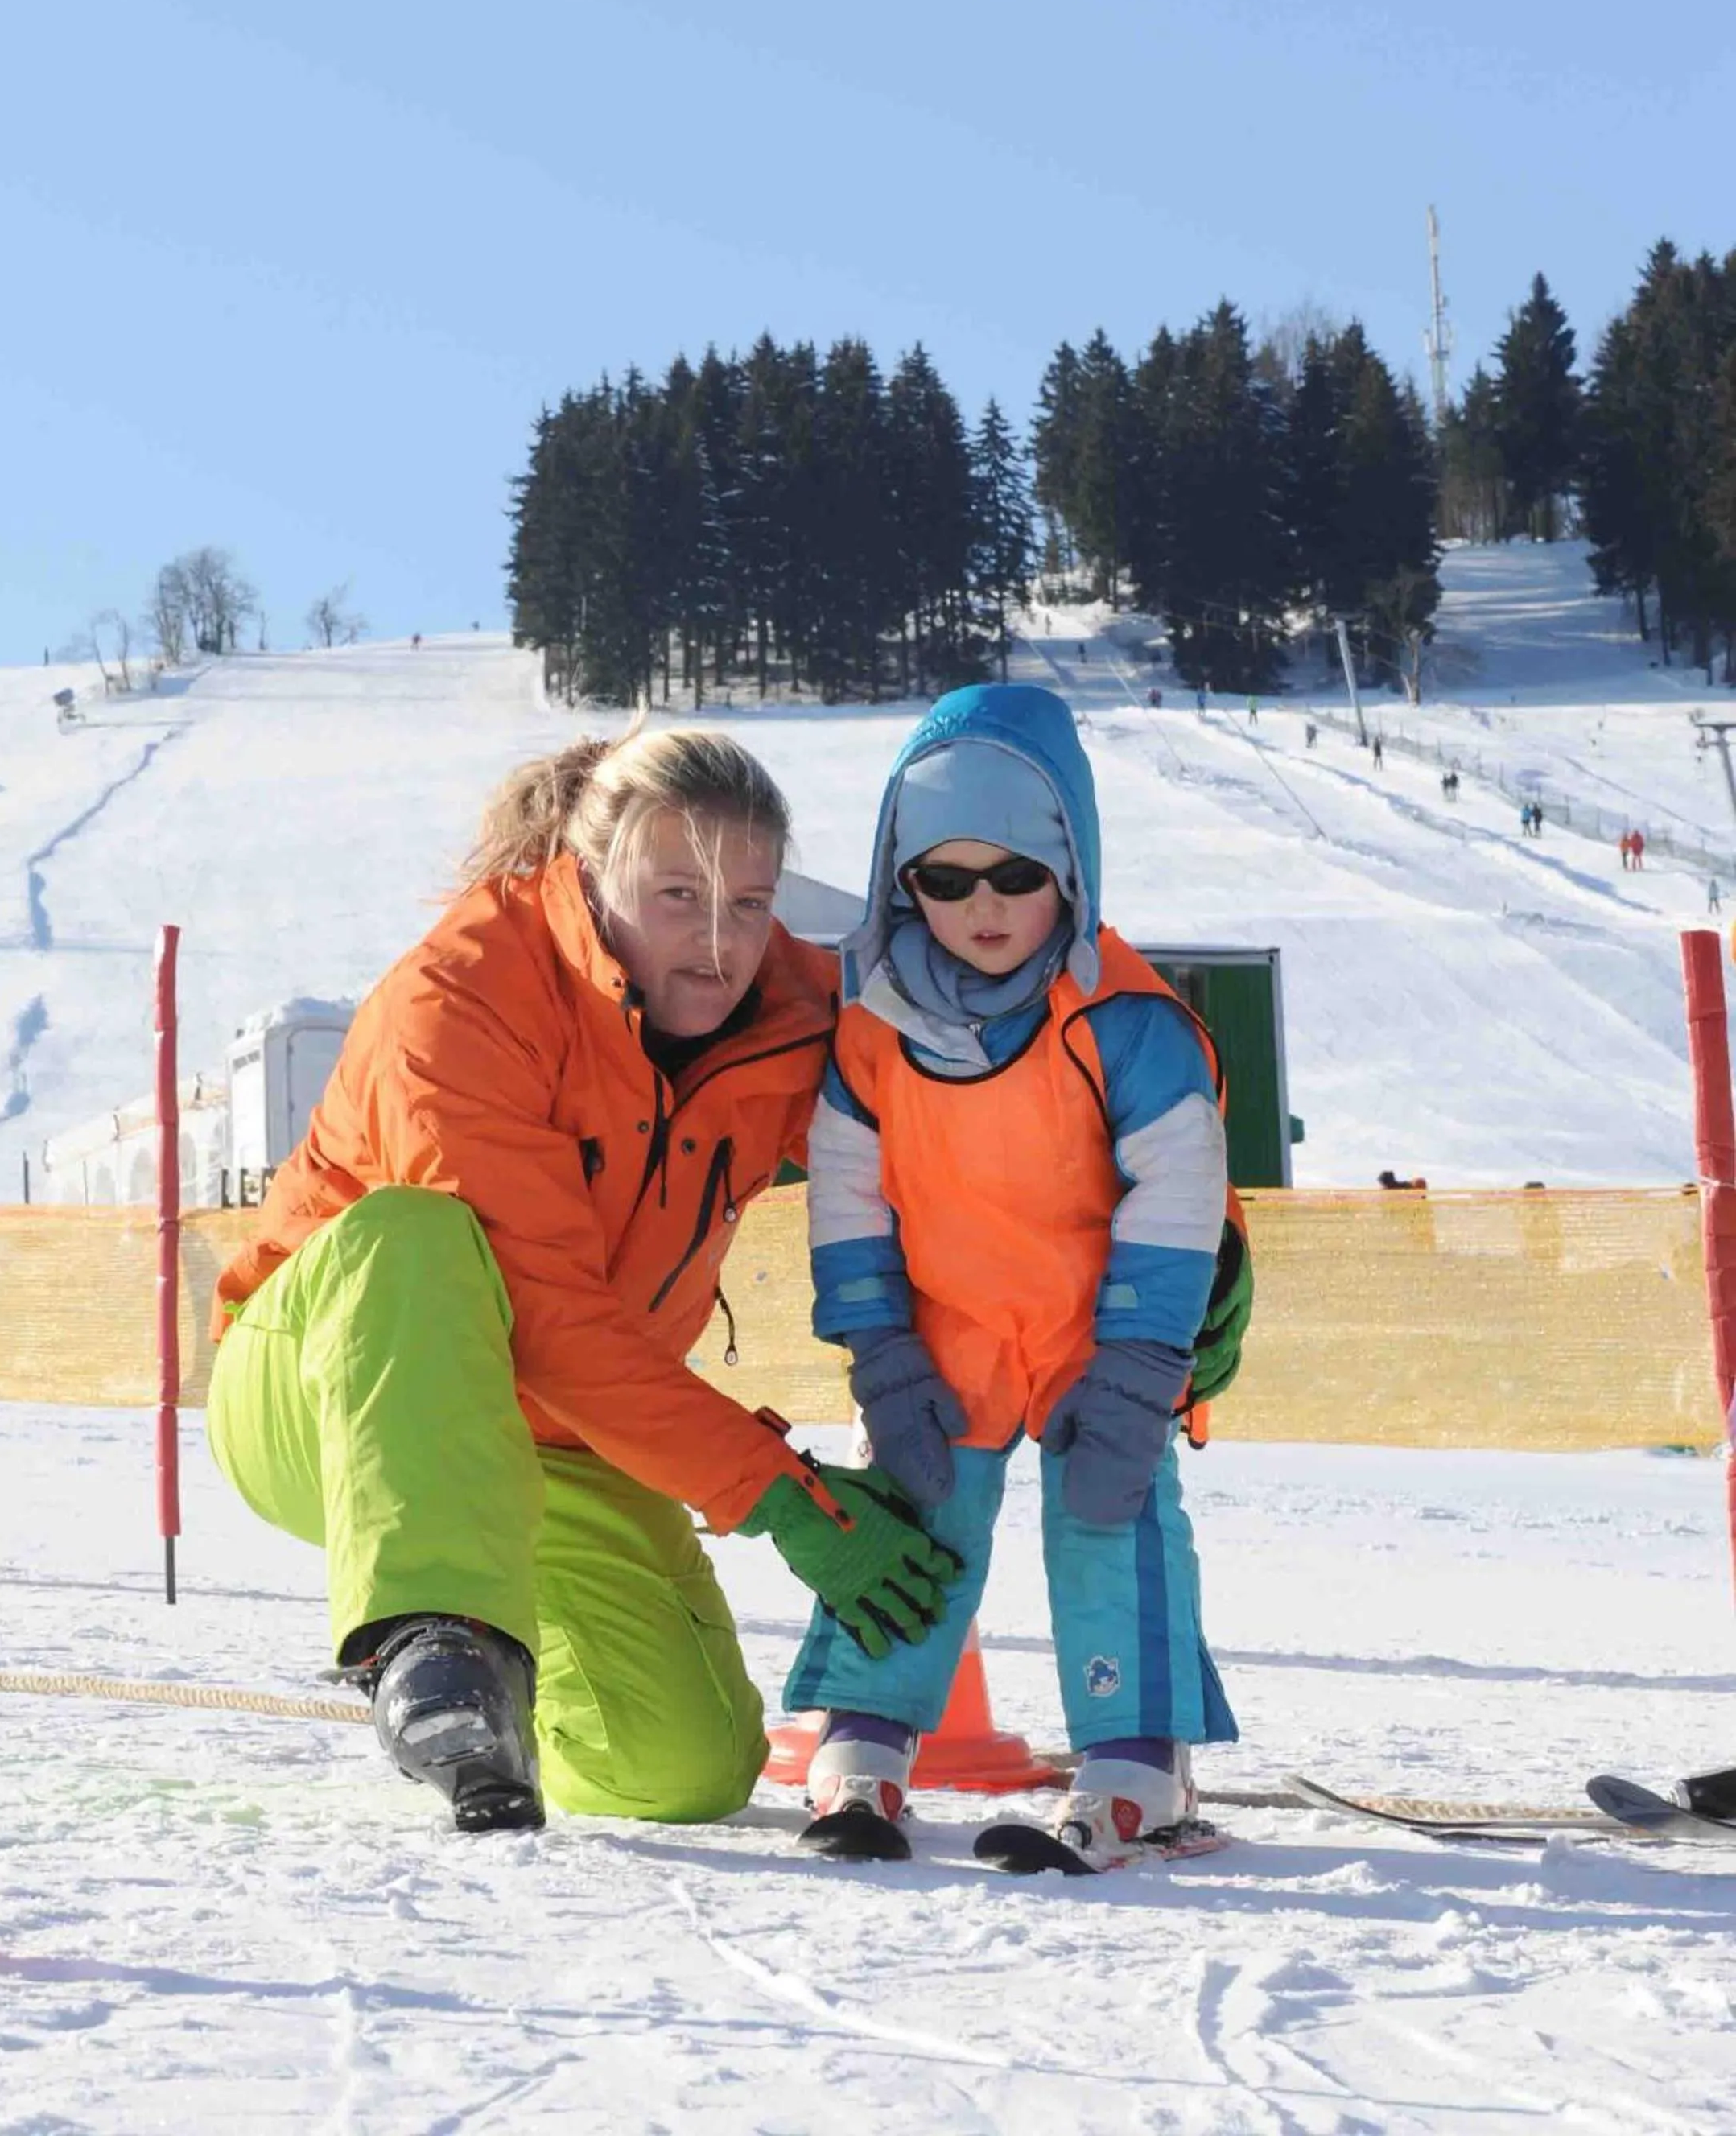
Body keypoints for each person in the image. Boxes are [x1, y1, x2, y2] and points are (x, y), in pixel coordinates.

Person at [203, 728, 966, 1833]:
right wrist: (780, 1498)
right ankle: (435, 1649)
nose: (717, 945)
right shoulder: (461, 1000)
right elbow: (548, 1319)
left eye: (749, 904)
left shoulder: (799, 1008)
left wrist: (1185, 1248)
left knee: (686, 1772)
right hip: (333, 1394)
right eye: (674, 896)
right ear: (584, 873)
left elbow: (1000, 1083)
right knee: (414, 1235)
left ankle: (514, 1694)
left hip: (570, 1432)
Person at [786, 683, 1243, 1866]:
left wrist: (1142, 1371)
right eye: (944, 880)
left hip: (1101, 1335)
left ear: (1070, 872)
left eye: (1014, 876)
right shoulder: (873, 1028)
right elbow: (846, 1192)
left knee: (1111, 1517)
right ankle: (868, 1739)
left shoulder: (1125, 1023)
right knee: (916, 1514)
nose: (980, 907)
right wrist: (880, 1353)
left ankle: (1139, 1758)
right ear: (903, 884)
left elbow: (1180, 1191)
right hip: (946, 1333)